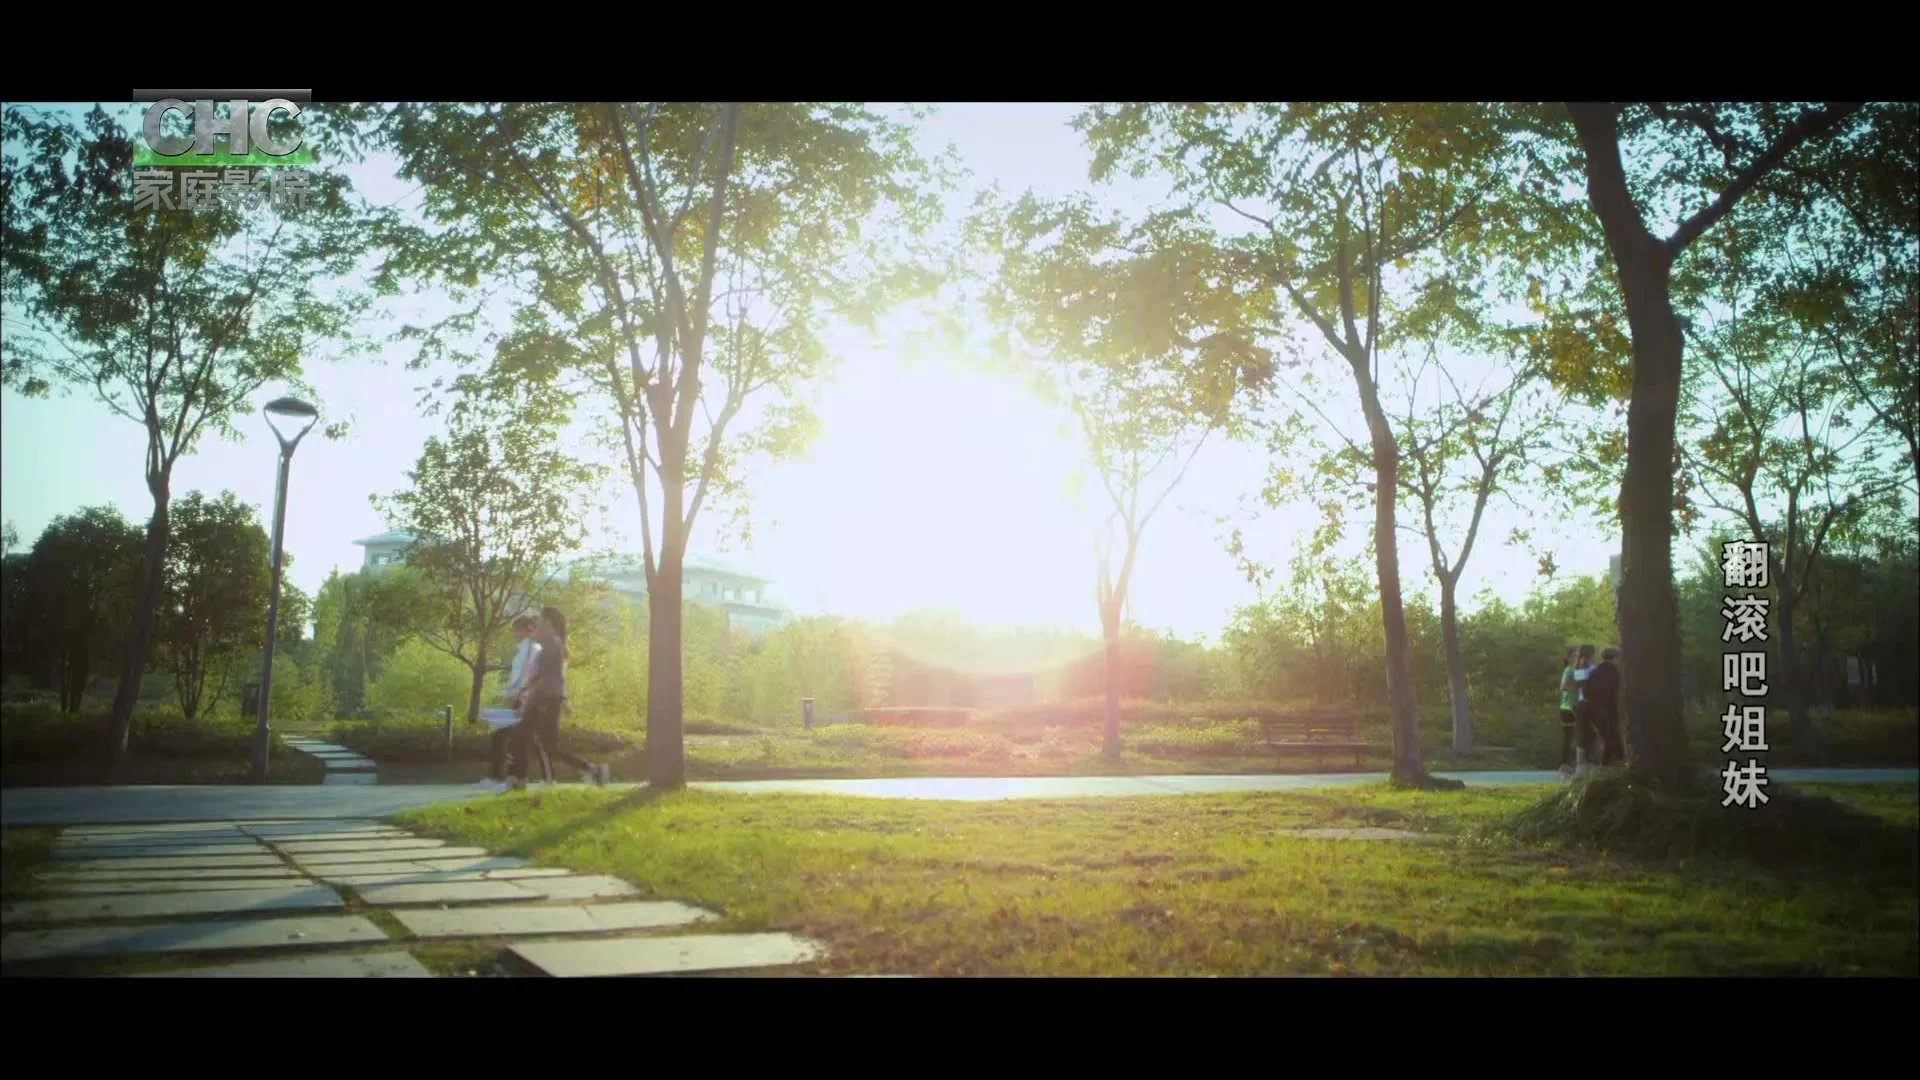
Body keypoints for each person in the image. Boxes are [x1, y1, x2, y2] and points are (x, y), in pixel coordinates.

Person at [506, 606, 609, 789]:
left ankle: (593, 770)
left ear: (548, 621)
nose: (537, 621)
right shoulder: (549, 641)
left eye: (540, 618)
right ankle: (519, 779)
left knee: (545, 744)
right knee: (521, 736)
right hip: (541, 697)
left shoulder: (553, 642)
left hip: (547, 699)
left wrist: (520, 691)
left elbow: (543, 672)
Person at [475, 615, 540, 793]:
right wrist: (506, 692)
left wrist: (514, 693)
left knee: (511, 739)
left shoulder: (530, 649)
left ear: (526, 629)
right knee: (509, 739)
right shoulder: (523, 650)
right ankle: (510, 778)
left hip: (523, 700)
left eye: (516, 630)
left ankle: (511, 778)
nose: (514, 634)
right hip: (519, 698)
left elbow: (525, 676)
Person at [1579, 646, 1624, 770]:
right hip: (1606, 711)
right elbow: (1614, 693)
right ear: (1615, 658)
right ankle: (1616, 764)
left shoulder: (1595, 671)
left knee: (1608, 739)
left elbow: (1585, 691)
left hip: (1592, 711)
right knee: (1613, 739)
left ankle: (1606, 766)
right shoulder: (1613, 672)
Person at [1557, 647, 1580, 779]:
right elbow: (1563, 686)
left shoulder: (1576, 670)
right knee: (1570, 736)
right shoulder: (1569, 669)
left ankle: (1568, 764)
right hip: (1569, 706)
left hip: (1572, 705)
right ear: (1569, 657)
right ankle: (1566, 764)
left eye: (1578, 655)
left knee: (1572, 736)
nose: (1577, 658)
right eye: (1574, 655)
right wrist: (1578, 688)